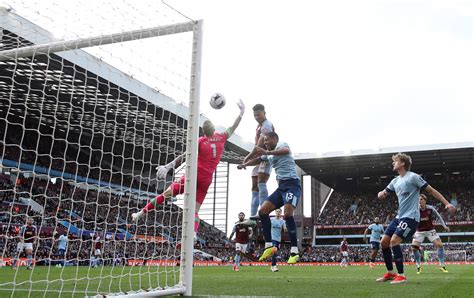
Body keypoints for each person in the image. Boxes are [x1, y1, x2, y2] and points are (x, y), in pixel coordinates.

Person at [132, 100, 246, 238]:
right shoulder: (222, 137)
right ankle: (193, 234)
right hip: (206, 180)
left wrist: (169, 166)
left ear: (203, 131)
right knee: (195, 211)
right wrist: (241, 113)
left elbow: (185, 156)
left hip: (193, 176)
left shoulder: (201, 141)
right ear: (214, 129)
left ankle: (140, 213)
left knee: (165, 195)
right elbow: (232, 127)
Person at [376, 153, 455, 284]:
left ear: (402, 163)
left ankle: (401, 275)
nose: (393, 164)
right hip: (399, 217)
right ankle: (390, 273)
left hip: (411, 217)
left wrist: (446, 203)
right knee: (384, 242)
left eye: (395, 161)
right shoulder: (395, 181)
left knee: (394, 241)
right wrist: (381, 194)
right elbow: (384, 192)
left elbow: (431, 190)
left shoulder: (413, 177)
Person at [238, 132, 301, 264]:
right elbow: (258, 159)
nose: (265, 143)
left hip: (292, 185)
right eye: (264, 141)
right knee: (262, 212)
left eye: (267, 140)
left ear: (274, 139)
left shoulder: (281, 144)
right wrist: (245, 164)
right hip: (281, 187)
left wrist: (266, 153)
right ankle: (268, 246)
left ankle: (294, 251)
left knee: (288, 215)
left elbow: (286, 151)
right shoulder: (270, 154)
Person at [242, 104, 275, 217]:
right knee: (254, 187)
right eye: (255, 115)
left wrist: (247, 158)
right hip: (259, 157)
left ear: (264, 113)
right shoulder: (259, 125)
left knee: (261, 183)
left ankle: (263, 211)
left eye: (258, 115)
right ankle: (252, 215)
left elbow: (259, 145)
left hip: (265, 157)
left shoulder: (266, 125)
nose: (256, 117)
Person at [412, 194, 450, 274]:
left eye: (421, 199)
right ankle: (418, 266)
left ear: (425, 201)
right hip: (419, 231)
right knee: (414, 248)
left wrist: (444, 226)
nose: (419, 201)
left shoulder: (430, 209)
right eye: (418, 200)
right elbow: (411, 220)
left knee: (440, 245)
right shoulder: (415, 210)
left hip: (430, 230)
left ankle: (442, 266)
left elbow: (439, 217)